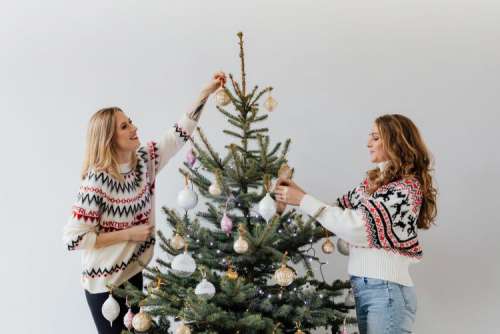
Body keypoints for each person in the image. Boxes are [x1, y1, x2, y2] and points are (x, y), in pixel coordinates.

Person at [63, 72, 226, 334]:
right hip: (105, 284)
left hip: (132, 274)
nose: (134, 128)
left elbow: (178, 135)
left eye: (131, 122)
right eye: (124, 126)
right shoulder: (97, 181)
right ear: (108, 138)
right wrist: (129, 234)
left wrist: (204, 95)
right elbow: (73, 239)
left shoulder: (143, 161)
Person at [274, 114, 437, 334]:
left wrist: (302, 200)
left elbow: (358, 228)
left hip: (386, 290)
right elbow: (336, 211)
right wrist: (296, 193)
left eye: (375, 137)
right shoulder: (373, 184)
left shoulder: (406, 188)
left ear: (395, 141)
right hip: (366, 288)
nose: (368, 143)